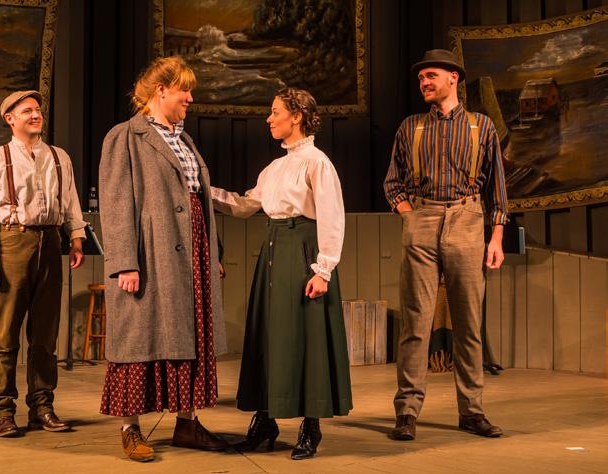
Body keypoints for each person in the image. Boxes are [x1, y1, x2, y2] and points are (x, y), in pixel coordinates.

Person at [98, 56, 228, 463]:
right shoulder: (126, 136)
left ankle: (187, 422)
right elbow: (116, 203)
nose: (190, 98)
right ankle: (130, 428)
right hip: (150, 251)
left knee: (189, 334)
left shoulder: (184, 140)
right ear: (161, 90)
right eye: (184, 90)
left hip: (191, 249)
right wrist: (124, 261)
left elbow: (199, 200)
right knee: (139, 336)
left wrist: (213, 253)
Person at [212, 87, 352, 460]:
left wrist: (323, 270)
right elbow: (245, 205)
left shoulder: (317, 162)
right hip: (274, 250)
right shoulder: (274, 168)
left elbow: (332, 217)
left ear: (297, 116)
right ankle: (265, 420)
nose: (269, 119)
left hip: (303, 252)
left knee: (306, 336)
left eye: (275, 112)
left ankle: (311, 426)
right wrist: (202, 191)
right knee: (269, 335)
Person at [383, 49, 509, 441]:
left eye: (431, 76)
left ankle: (472, 411)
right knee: (415, 323)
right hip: (422, 218)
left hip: (467, 219)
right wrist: (410, 215)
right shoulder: (411, 127)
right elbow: (392, 183)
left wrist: (496, 237)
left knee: (468, 324)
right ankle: (407, 411)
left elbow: (497, 188)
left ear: (453, 77)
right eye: (421, 78)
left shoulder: (481, 127)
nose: (424, 82)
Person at [0, 90, 87, 437]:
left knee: (45, 333)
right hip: (13, 241)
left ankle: (42, 406)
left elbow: (70, 200)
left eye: (38, 110)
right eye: (27, 111)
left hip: (50, 241)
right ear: (10, 119)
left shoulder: (59, 157)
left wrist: (76, 238)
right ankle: (3, 409)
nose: (36, 115)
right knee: (6, 333)